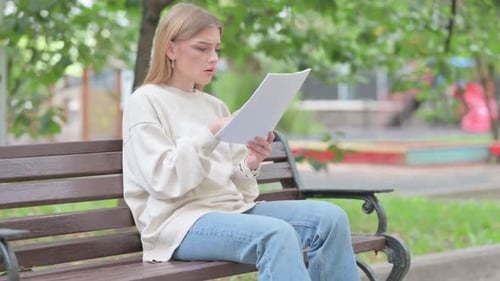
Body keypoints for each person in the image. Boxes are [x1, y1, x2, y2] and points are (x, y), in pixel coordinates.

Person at [122, 3, 360, 280]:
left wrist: (250, 163)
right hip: (179, 224)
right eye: (202, 48)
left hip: (233, 211)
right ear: (171, 49)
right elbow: (163, 182)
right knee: (276, 234)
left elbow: (240, 190)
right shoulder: (145, 101)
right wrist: (210, 134)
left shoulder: (213, 105)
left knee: (330, 219)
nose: (213, 58)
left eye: (216, 49)